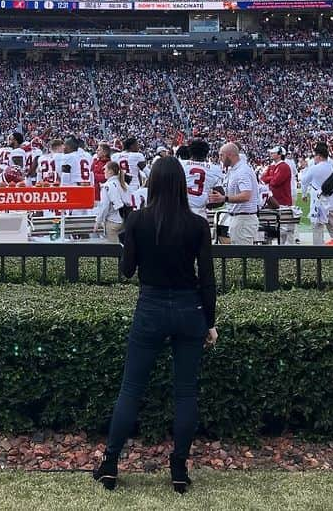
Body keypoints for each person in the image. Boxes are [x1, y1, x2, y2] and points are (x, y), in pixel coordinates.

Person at [94, 156, 217, 494]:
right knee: (186, 392)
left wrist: (129, 242)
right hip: (188, 307)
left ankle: (111, 462)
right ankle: (179, 467)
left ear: (151, 185)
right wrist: (210, 321)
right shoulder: (197, 225)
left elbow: (127, 270)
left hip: (151, 305)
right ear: (181, 186)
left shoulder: (138, 220)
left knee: (131, 389)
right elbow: (206, 278)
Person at [208, 143, 259, 245]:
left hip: (244, 218)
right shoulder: (234, 170)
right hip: (238, 217)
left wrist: (224, 198)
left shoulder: (242, 171)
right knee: (238, 254)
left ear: (230, 155)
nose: (219, 158)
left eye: (221, 155)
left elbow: (246, 195)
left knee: (243, 255)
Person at [300, 143, 333, 245]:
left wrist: (305, 169)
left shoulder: (314, 167)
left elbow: (304, 181)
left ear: (319, 156)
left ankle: (318, 251)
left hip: (318, 202)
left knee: (317, 228)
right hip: (332, 200)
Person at [261, 145, 295, 244]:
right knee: (271, 227)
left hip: (282, 201)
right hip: (274, 201)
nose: (271, 154)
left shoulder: (284, 166)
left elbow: (275, 182)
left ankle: (282, 249)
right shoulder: (273, 166)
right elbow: (263, 179)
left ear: (280, 154)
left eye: (273, 153)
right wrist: (272, 177)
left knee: (282, 229)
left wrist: (270, 178)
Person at [94, 161, 128, 242]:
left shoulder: (107, 186)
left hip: (113, 222)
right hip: (126, 220)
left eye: (105, 169)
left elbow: (104, 207)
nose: (103, 171)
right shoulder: (124, 184)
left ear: (110, 171)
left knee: (115, 251)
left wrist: (98, 221)